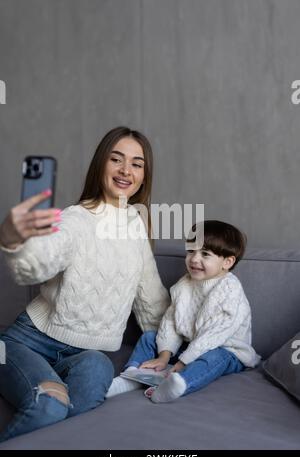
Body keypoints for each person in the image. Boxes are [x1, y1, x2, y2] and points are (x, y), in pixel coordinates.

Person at [0, 126, 170, 441]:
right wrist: (12, 237)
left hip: (88, 354)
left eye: (136, 163)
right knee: (50, 407)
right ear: (100, 166)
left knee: (90, 391)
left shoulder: (136, 223)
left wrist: (176, 348)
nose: (125, 170)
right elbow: (36, 267)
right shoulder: (76, 219)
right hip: (25, 342)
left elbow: (151, 298)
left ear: (144, 176)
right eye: (115, 159)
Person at [107, 220, 261, 403]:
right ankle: (132, 375)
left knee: (215, 357)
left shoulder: (229, 291)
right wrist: (164, 356)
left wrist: (182, 363)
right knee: (150, 336)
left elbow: (213, 336)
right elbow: (171, 322)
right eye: (191, 251)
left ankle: (181, 383)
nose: (195, 259)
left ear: (227, 262)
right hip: (191, 345)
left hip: (226, 349)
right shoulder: (184, 285)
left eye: (205, 254)